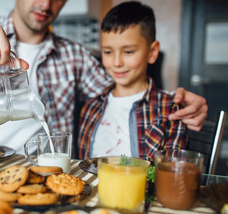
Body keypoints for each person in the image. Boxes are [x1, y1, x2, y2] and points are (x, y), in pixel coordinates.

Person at [0, 0, 206, 155]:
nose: (45, 3)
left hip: (44, 173)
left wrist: (175, 99)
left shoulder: (75, 56)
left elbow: (122, 90)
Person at [78, 1, 188, 162]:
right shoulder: (90, 109)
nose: (116, 62)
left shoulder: (170, 110)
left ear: (152, 52)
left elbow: (171, 175)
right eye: (108, 52)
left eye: (128, 51)